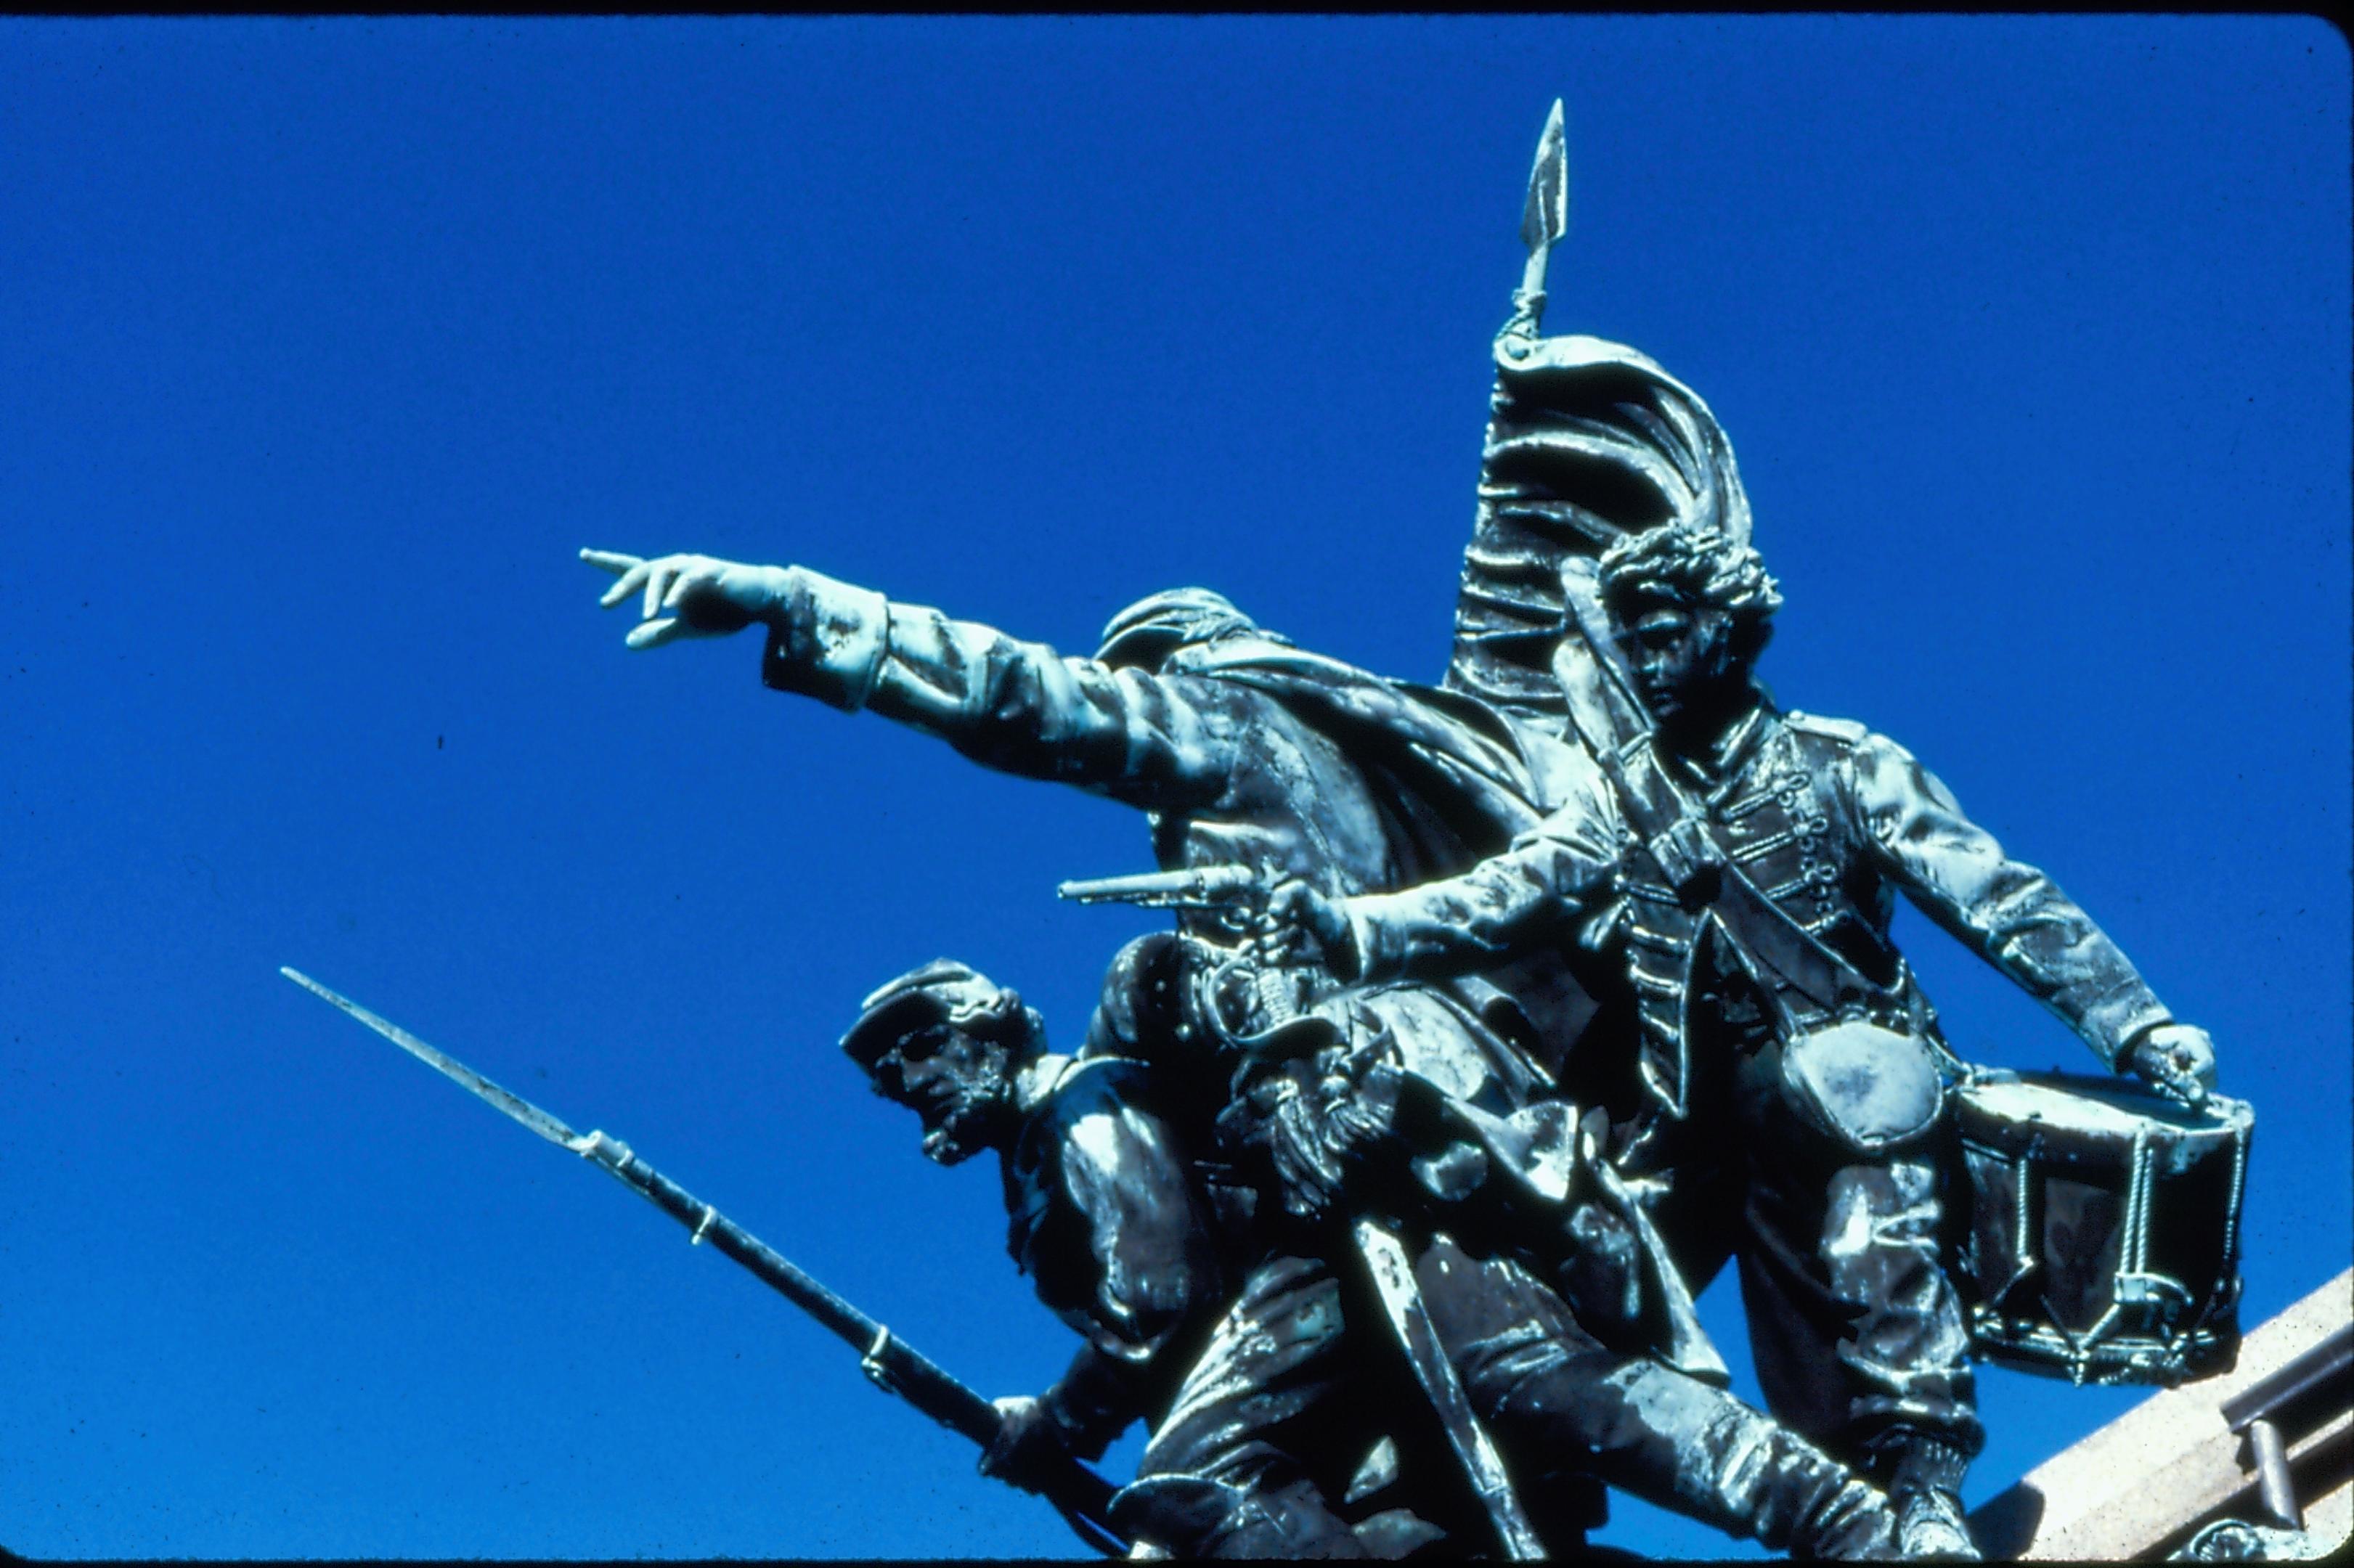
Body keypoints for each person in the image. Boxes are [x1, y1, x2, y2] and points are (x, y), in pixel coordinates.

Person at [1273, 519, 2223, 1559]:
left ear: (1727, 632)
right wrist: (1347, 925)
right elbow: (1503, 895)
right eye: (1629, 643)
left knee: (1878, 1205)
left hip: (1855, 1081)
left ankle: (1924, 1494)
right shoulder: (1617, 805)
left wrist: (2134, 1023)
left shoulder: (1841, 763)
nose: (1643, 662)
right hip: (1700, 1123)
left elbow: (1999, 898)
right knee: (1610, 1288)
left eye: (1664, 634)